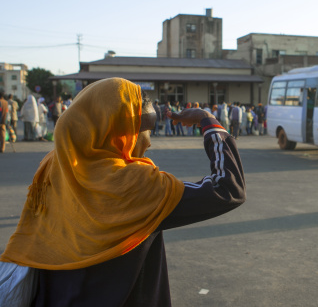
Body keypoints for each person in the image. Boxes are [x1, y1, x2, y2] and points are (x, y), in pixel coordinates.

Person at [0, 77, 246, 306]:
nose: (148, 142)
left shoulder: (55, 166)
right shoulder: (134, 185)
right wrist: (208, 122)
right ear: (114, 129)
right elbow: (227, 188)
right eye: (142, 129)